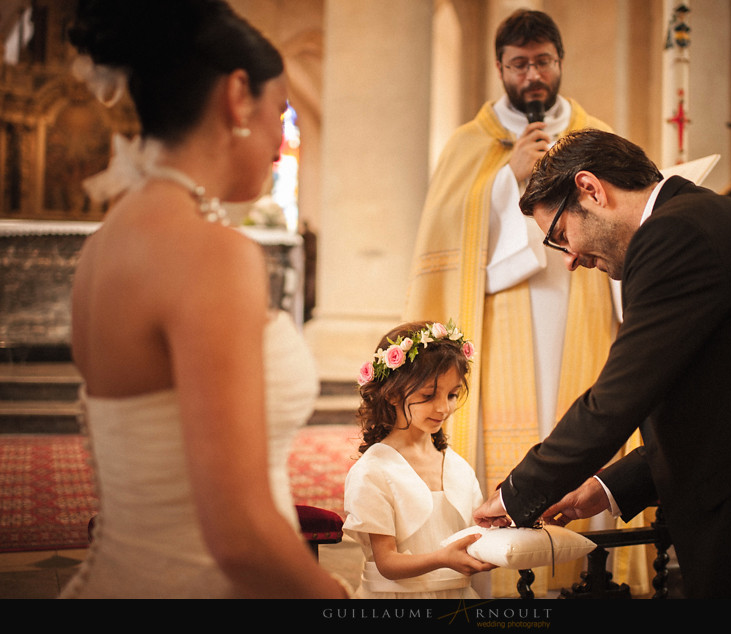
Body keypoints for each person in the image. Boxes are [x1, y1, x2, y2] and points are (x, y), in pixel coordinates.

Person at [474, 129, 731, 599]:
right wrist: (607, 487)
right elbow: (723, 401)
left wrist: (518, 493)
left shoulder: (675, 232)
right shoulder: (698, 217)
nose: (570, 258)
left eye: (559, 236)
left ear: (591, 190)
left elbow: (618, 396)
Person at [60, 0, 347, 598]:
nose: (281, 135)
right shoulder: (211, 253)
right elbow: (240, 536)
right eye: (281, 111)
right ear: (238, 95)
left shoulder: (108, 242)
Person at [404, 6, 619, 533]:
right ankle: (506, 568)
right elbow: (446, 229)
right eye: (518, 64)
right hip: (499, 310)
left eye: (542, 62)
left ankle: (582, 569)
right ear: (500, 68)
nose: (532, 76)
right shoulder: (468, 144)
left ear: (560, 62)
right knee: (510, 431)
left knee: (579, 418)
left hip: (581, 303)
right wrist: (506, 179)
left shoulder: (598, 136)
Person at [342, 321, 495, 599]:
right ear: (391, 393)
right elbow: (387, 562)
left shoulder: (457, 467)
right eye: (428, 395)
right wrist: (442, 559)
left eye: (452, 395)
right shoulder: (373, 470)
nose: (443, 407)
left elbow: (475, 536)